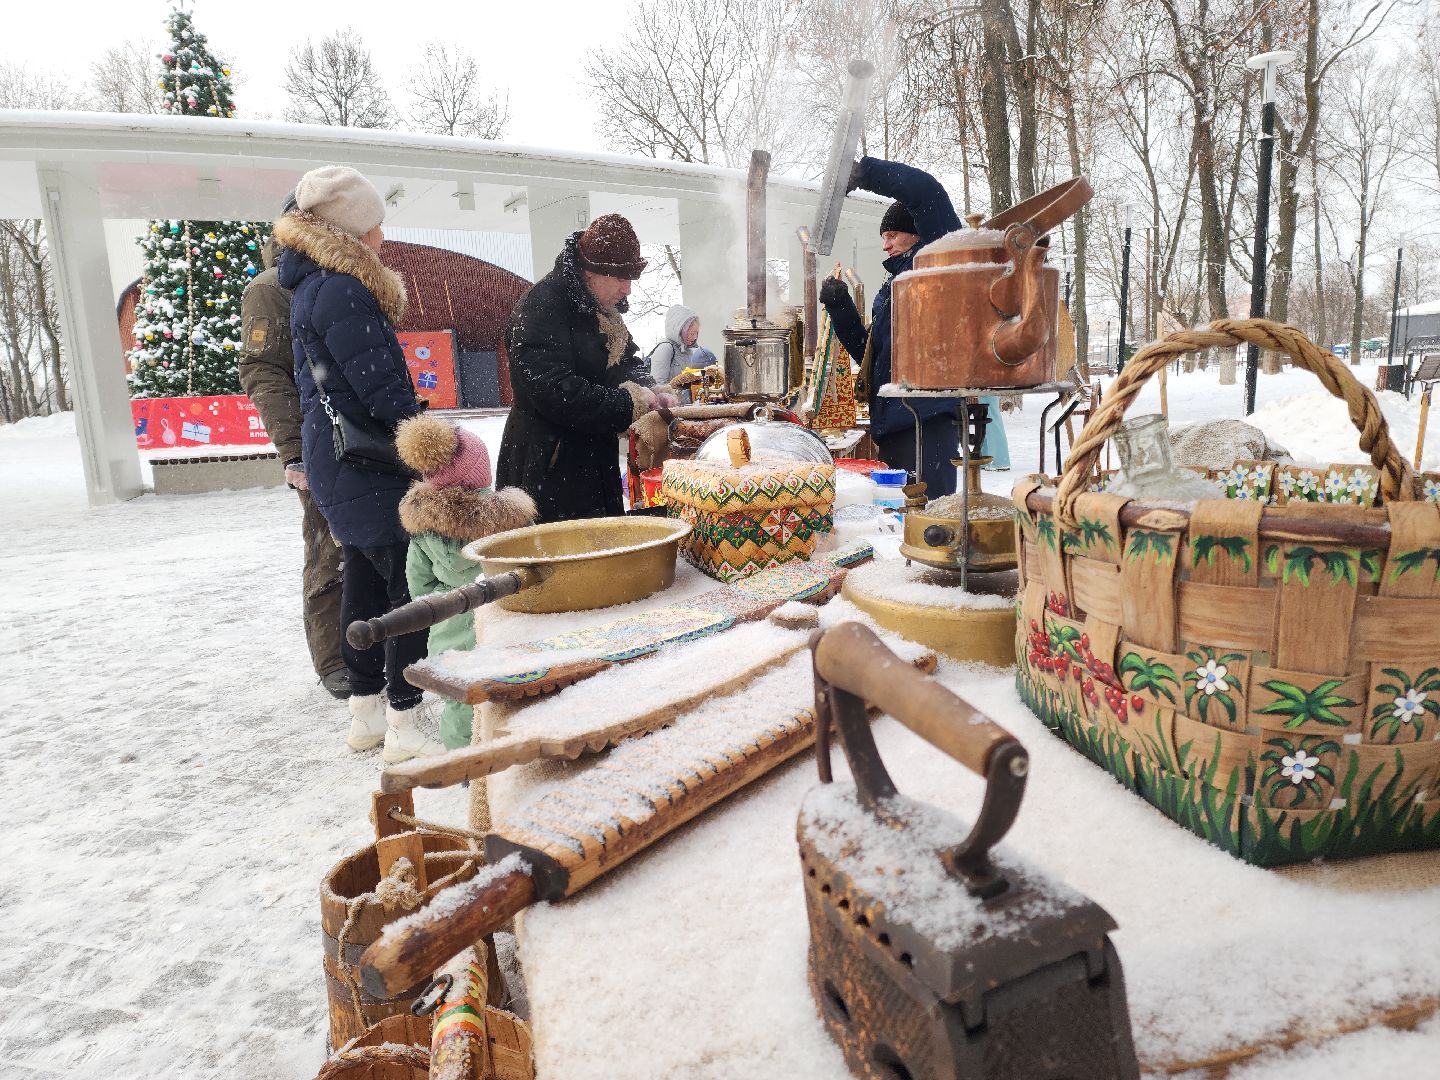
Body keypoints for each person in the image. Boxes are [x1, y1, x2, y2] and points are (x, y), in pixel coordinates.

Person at [273, 165, 443, 763]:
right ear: (349, 229)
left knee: (364, 584)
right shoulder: (343, 288)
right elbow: (379, 386)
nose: (382, 237)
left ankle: (366, 714)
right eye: (374, 224)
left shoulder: (309, 286)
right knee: (407, 587)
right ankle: (404, 720)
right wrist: (426, 439)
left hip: (337, 460)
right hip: (368, 464)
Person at [819, 156, 1008, 496]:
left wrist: (864, 173)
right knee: (901, 524)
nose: (885, 244)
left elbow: (927, 192)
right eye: (883, 236)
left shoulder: (938, 263)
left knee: (931, 517)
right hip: (893, 422)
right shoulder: (894, 286)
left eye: (892, 234)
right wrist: (840, 308)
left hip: (927, 419)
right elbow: (871, 357)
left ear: (918, 233)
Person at [239, 190, 351, 700]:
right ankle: (332, 658)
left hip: (357, 439)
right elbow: (263, 372)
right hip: (315, 440)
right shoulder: (269, 289)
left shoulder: (342, 279)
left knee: (369, 547)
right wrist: (293, 451)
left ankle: (369, 643)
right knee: (328, 547)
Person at [497, 213, 676, 523]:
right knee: (560, 564)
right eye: (621, 278)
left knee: (603, 554)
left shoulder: (598, 308)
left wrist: (651, 391)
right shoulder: (542, 306)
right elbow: (556, 393)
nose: (628, 289)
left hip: (592, 463)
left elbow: (625, 360)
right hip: (547, 468)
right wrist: (630, 403)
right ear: (592, 272)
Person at [396, 415, 536, 750]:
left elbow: (419, 587)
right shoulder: (512, 520)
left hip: (450, 635)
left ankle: (462, 762)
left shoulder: (424, 529)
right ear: (480, 472)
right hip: (504, 628)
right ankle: (502, 754)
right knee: (505, 697)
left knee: (460, 704)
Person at [648, 304, 703, 403]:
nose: (695, 337)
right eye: (691, 333)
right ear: (681, 330)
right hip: (669, 407)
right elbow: (656, 386)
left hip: (684, 406)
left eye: (696, 333)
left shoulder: (687, 350)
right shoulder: (665, 348)